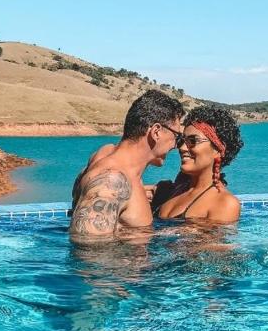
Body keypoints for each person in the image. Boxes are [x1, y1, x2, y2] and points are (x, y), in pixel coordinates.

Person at [69, 89, 185, 242]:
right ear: (156, 131)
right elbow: (88, 250)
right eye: (176, 136)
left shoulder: (106, 155)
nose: (176, 146)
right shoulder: (110, 181)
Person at [152, 105, 244, 224]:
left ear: (218, 150)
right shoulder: (173, 190)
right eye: (181, 141)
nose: (182, 148)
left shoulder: (225, 203)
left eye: (193, 141)